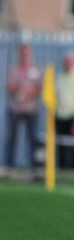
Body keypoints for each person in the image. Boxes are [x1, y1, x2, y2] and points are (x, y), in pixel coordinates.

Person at [3, 44, 43, 178]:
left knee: (32, 138)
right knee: (12, 138)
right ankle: (9, 167)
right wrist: (19, 89)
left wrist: (30, 93)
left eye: (27, 53)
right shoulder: (14, 70)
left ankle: (34, 167)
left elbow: (40, 86)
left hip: (31, 109)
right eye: (23, 53)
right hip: (15, 108)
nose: (25, 56)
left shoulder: (36, 69)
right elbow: (9, 86)